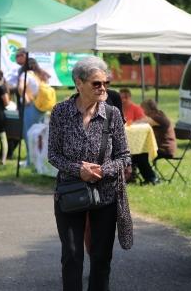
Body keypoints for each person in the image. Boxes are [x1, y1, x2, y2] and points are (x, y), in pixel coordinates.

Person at [48, 56, 131, 291]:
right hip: (70, 193)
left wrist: (102, 171)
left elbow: (124, 156)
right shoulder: (60, 112)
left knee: (101, 257)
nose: (103, 88)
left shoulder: (112, 114)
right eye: (96, 83)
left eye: (105, 83)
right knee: (72, 255)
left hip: (105, 195)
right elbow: (53, 154)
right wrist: (79, 170)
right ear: (79, 82)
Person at [18, 58, 47, 166]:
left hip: (30, 107)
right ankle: (40, 160)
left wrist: (26, 99)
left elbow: (21, 87)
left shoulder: (26, 75)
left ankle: (31, 161)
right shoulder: (38, 75)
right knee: (40, 135)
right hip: (41, 108)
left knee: (29, 134)